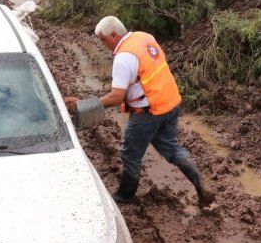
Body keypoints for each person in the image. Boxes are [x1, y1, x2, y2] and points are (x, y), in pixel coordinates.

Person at [64, 16, 215, 208]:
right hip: (170, 103)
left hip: (148, 113)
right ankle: (201, 185)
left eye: (103, 39)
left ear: (113, 34)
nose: (102, 44)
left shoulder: (123, 58)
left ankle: (125, 195)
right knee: (171, 148)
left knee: (130, 154)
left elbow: (117, 97)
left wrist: (85, 105)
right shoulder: (144, 37)